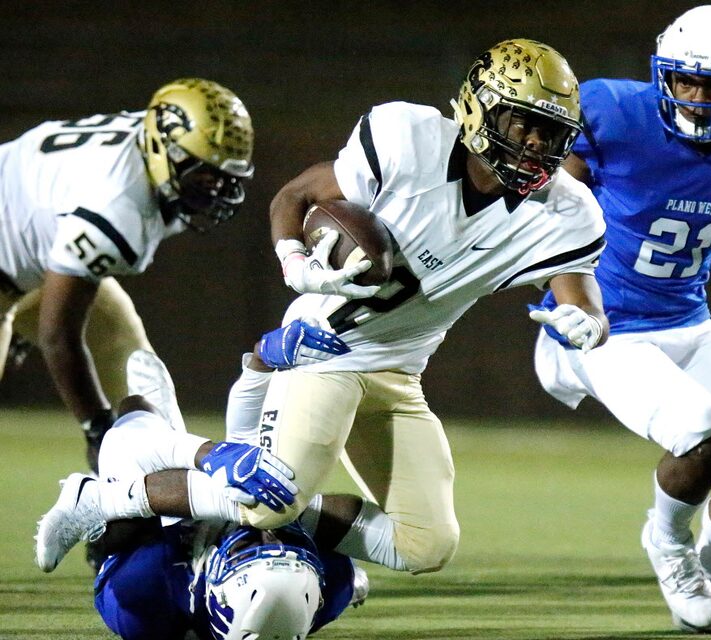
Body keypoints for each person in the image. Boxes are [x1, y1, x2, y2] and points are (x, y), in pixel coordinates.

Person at [240, 38, 608, 578]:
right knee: (264, 502)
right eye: (520, 122)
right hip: (324, 353)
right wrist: (294, 262)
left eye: (548, 131)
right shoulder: (408, 142)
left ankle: (283, 524)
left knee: (426, 545)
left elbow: (584, 297)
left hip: (400, 375)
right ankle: (126, 486)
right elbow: (293, 196)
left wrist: (589, 326)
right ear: (481, 108)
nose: (534, 142)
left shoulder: (565, 210)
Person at [532, 5, 711, 635]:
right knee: (703, 434)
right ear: (661, 72)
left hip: (686, 320)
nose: (696, 97)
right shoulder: (610, 112)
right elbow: (550, 215)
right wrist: (569, 303)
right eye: (684, 80)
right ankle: (668, 546)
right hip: (601, 322)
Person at [35, 335, 366, 640]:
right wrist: (259, 373)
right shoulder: (333, 582)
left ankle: (99, 497)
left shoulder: (144, 596)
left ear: (217, 590)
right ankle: (201, 453)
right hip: (218, 544)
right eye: (287, 548)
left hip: (157, 537)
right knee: (276, 490)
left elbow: (124, 529)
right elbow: (335, 516)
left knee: (133, 418)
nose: (269, 537)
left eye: (247, 551)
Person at [0, 77, 254, 471]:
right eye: (204, 173)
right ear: (162, 148)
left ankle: (169, 497)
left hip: (31, 253)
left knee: (133, 362)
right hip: (17, 263)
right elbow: (58, 336)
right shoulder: (119, 205)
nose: (214, 188)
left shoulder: (155, 140)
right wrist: (95, 425)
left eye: (224, 177)